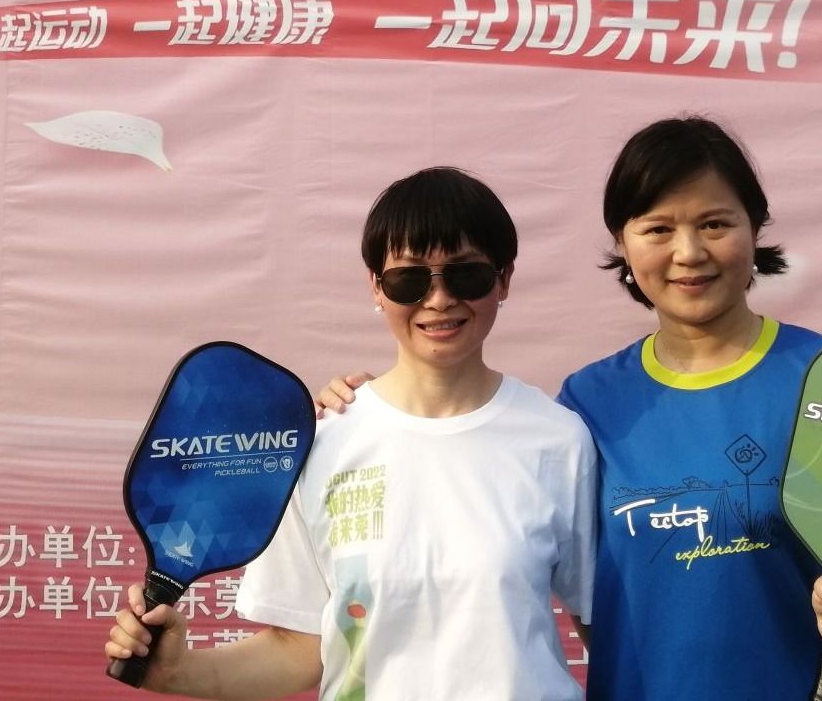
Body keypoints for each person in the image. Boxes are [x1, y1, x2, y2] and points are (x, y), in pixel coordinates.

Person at [318, 117, 822, 701]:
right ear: (623, 242)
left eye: (715, 224)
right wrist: (370, 410)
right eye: (658, 229)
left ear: (755, 228)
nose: (688, 252)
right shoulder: (587, 404)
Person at [104, 167, 598, 701]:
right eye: (409, 279)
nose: (438, 299)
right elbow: (298, 650)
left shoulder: (558, 439)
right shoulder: (321, 443)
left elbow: (607, 626)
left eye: (467, 275)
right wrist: (178, 672)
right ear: (376, 287)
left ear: (504, 279)